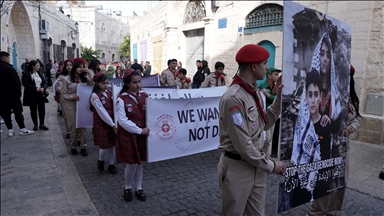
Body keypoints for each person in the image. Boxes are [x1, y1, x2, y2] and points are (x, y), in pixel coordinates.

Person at [217, 44, 286, 215]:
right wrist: (271, 165)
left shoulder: (254, 91)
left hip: (256, 166)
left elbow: (265, 124)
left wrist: (279, 99)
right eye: (265, 63)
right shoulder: (234, 98)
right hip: (237, 169)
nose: (268, 67)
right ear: (254, 66)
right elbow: (243, 145)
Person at [307, 65, 362, 216]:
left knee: (340, 184)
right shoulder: (326, 95)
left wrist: (352, 127)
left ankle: (332, 212)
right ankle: (316, 213)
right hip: (325, 149)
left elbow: (357, 119)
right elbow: (313, 117)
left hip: (343, 150)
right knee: (323, 184)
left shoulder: (351, 98)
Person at [115, 68, 150, 202]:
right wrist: (139, 130)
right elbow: (122, 120)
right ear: (127, 84)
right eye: (134, 82)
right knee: (131, 163)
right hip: (129, 135)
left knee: (139, 162)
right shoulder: (121, 99)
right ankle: (128, 187)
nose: (138, 85)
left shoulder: (144, 96)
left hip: (141, 135)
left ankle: (139, 188)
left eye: (139, 82)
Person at [61, 58, 93, 156]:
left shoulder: (85, 78)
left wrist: (89, 72)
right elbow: (64, 94)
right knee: (73, 128)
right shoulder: (66, 79)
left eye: (82, 67)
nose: (80, 69)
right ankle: (73, 146)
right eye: (79, 67)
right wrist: (72, 96)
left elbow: (95, 83)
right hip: (70, 105)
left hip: (83, 105)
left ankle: (83, 146)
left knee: (83, 127)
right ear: (75, 68)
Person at [0, 51, 35, 137]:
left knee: (6, 113)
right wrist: (18, 93)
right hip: (13, 95)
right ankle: (22, 129)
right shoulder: (9, 68)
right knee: (18, 112)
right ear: (5, 58)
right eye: (8, 58)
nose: (9, 59)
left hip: (1, 96)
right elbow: (16, 82)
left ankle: (10, 130)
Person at [89, 72, 117, 174]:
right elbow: (102, 112)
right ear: (97, 83)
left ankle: (111, 164)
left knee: (112, 144)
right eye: (103, 83)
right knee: (104, 145)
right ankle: (101, 161)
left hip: (111, 123)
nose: (106, 85)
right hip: (101, 123)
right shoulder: (94, 96)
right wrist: (112, 124)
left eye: (107, 83)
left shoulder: (109, 92)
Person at [258, 66, 282, 157]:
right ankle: (260, 157)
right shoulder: (262, 86)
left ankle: (265, 157)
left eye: (278, 74)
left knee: (269, 139)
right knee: (266, 139)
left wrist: (269, 96)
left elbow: (277, 100)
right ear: (269, 76)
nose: (277, 76)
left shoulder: (277, 87)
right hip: (265, 115)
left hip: (274, 115)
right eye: (276, 74)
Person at [22, 59, 49, 131]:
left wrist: (43, 87)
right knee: (33, 109)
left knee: (42, 109)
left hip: (40, 94)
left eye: (39, 65)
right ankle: (35, 124)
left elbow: (44, 82)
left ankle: (42, 124)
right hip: (31, 94)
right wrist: (36, 88)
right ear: (32, 66)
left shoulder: (40, 73)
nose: (39, 67)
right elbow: (26, 84)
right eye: (37, 65)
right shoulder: (26, 74)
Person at [55, 59, 73, 139]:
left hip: (74, 98)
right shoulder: (61, 76)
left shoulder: (75, 76)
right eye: (67, 65)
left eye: (71, 65)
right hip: (65, 98)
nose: (69, 67)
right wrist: (65, 90)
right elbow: (57, 87)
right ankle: (68, 131)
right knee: (66, 116)